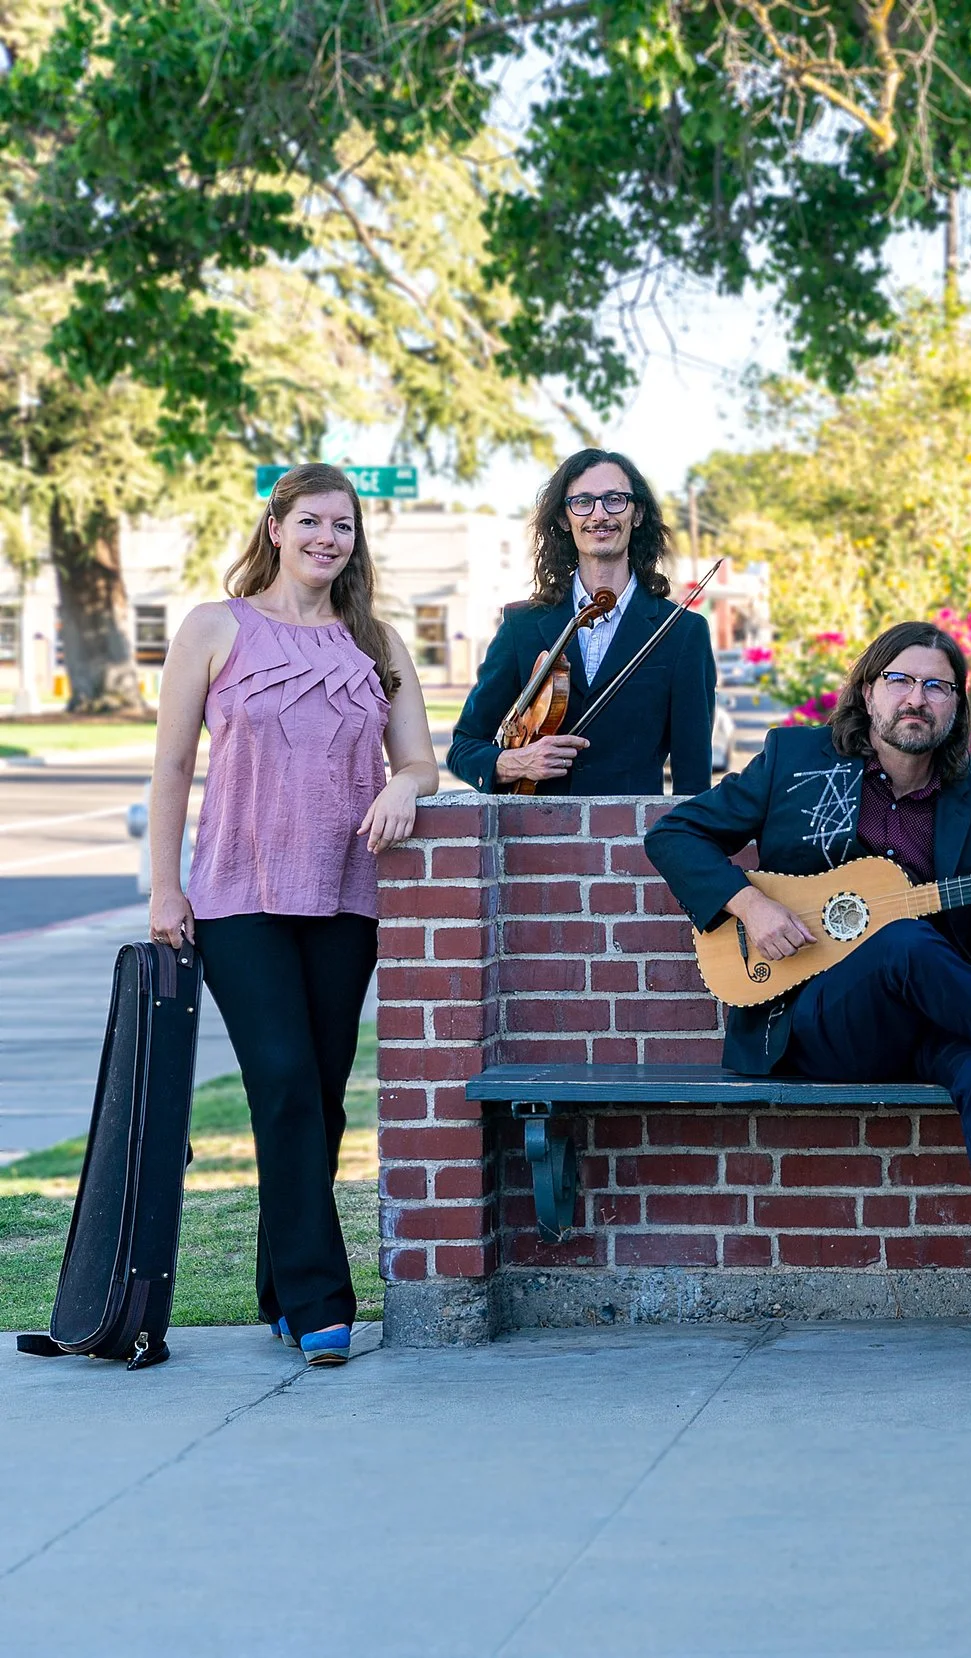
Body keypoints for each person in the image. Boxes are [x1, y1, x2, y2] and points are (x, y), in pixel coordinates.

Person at [646, 620, 971, 1373]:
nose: (918, 699)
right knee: (901, 939)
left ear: (954, 709)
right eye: (901, 681)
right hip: (805, 1016)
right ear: (867, 691)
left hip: (922, 1016)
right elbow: (676, 834)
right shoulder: (795, 759)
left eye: (937, 687)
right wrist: (750, 906)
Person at [146, 464, 439, 1368]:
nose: (327, 538)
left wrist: (402, 784)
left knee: (318, 1093)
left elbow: (424, 763)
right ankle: (321, 1302)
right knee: (279, 1079)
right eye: (310, 521)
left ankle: (278, 1286)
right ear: (275, 526)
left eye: (342, 526)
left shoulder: (377, 643)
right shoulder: (213, 628)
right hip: (238, 897)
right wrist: (165, 885)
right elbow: (170, 771)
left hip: (346, 896)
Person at [448, 449, 715, 795]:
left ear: (637, 514)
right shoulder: (522, 626)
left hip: (631, 843)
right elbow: (465, 747)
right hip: (535, 840)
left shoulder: (682, 633)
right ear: (564, 518)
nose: (599, 515)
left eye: (615, 500)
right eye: (583, 502)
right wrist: (517, 762)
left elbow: (692, 782)